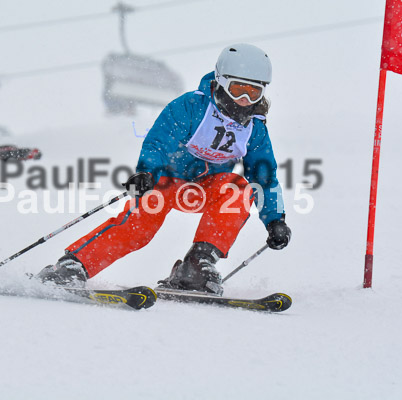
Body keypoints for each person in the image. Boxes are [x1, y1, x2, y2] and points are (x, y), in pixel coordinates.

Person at [36, 43, 291, 295]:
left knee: (238, 188)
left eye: (253, 93)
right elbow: (159, 142)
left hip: (205, 189)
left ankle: (196, 266)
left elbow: (264, 176)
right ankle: (74, 265)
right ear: (221, 81)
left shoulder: (254, 128)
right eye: (238, 89)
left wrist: (275, 219)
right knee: (139, 229)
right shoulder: (191, 106)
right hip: (166, 181)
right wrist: (147, 173)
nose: (244, 100)